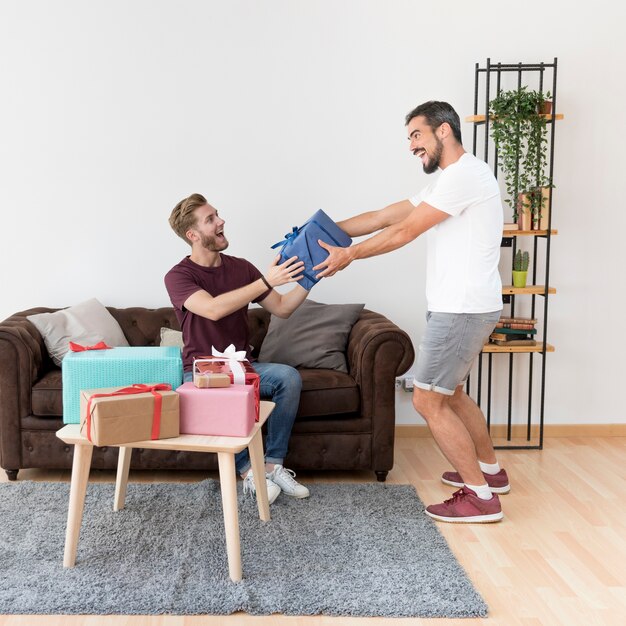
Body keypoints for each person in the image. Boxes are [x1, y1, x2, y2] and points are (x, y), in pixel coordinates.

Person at [314, 101, 509, 523]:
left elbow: (404, 231)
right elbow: (386, 215)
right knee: (451, 394)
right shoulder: (451, 179)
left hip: (461, 309)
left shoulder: (463, 177)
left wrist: (349, 256)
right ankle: (491, 474)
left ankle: (479, 497)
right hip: (461, 306)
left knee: (427, 400)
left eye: (416, 136)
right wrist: (321, 231)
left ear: (443, 131)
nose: (411, 147)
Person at [165, 193, 311, 504]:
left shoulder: (242, 268)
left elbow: (282, 307)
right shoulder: (178, 276)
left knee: (288, 378)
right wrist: (265, 281)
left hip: (241, 367)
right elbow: (214, 308)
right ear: (193, 235)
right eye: (211, 219)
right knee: (217, 402)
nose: (221, 221)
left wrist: (311, 278)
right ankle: (250, 474)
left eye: (217, 214)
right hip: (200, 370)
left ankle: (272, 466)